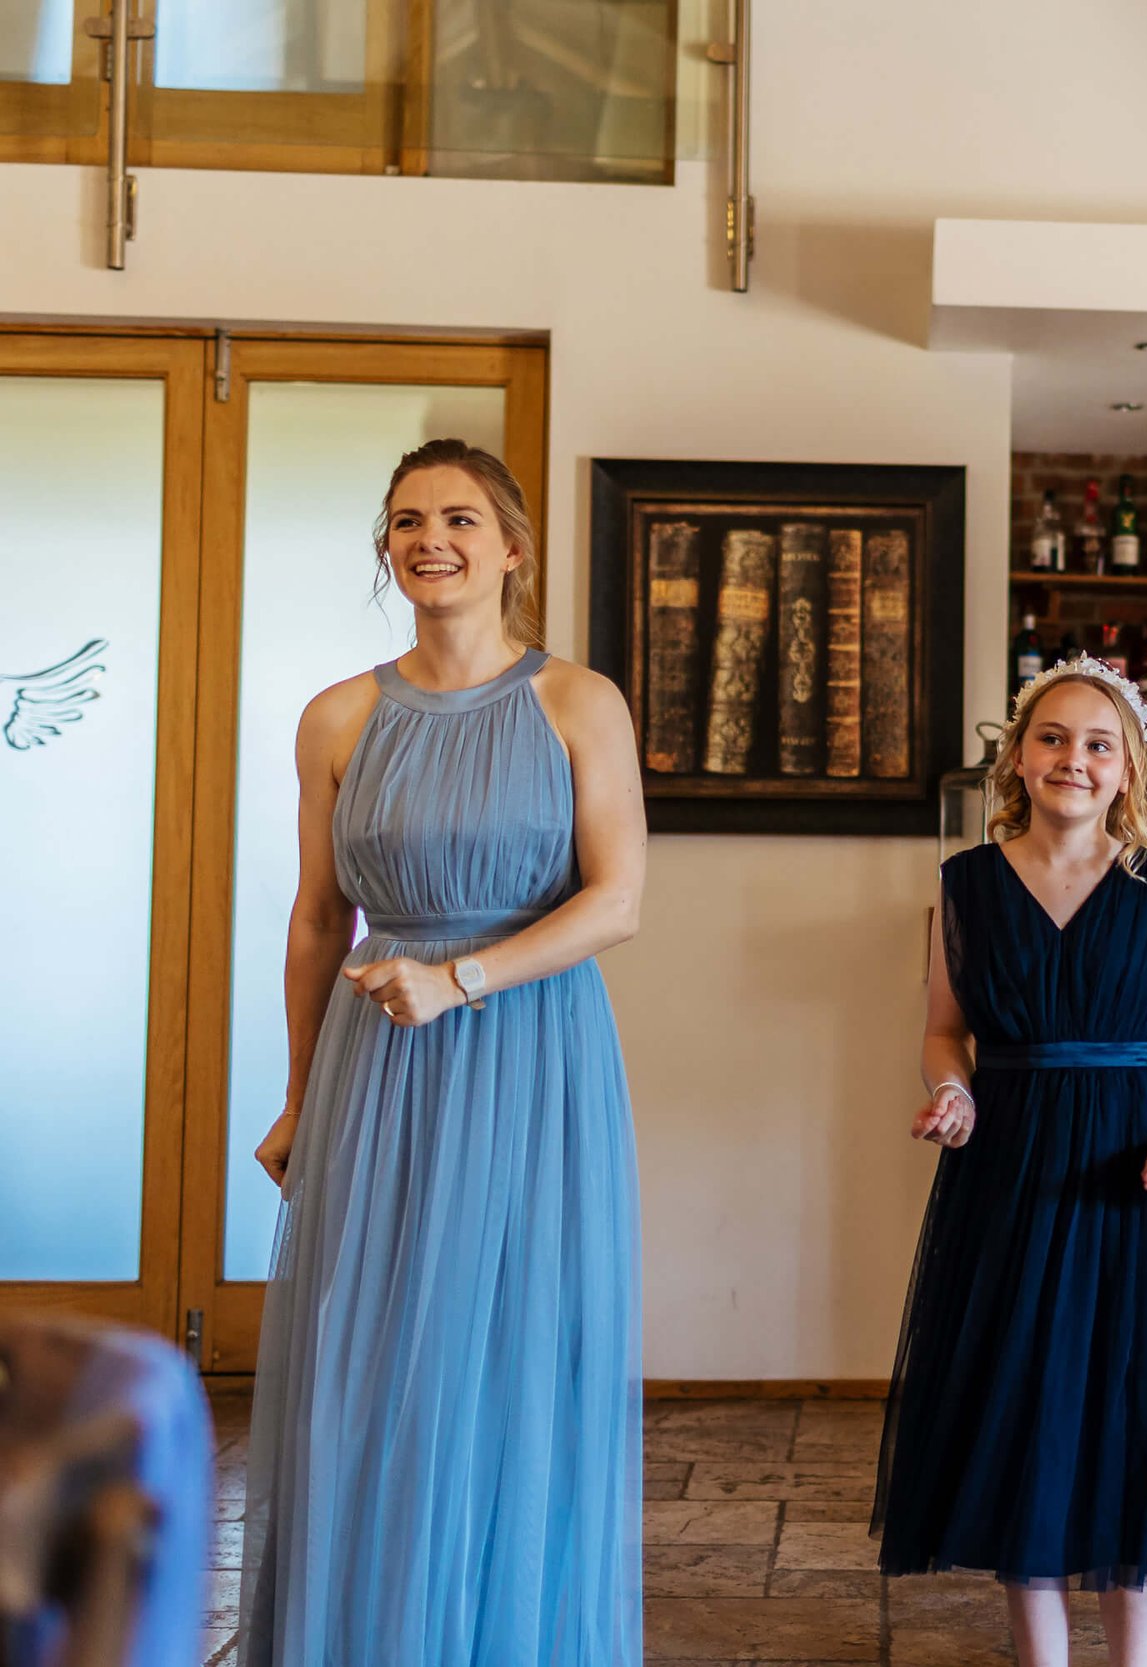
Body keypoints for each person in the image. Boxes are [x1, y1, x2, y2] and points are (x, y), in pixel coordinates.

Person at [240, 439, 647, 1667]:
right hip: (380, 1071)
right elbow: (319, 918)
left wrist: (462, 977)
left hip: (532, 1061)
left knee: (514, 1357)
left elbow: (617, 897)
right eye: (409, 519)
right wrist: (302, 1097)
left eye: (462, 518)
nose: (433, 538)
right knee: (369, 1359)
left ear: (510, 547)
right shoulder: (337, 714)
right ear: (387, 549)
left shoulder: (577, 701)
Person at [873, 656, 1147, 1667]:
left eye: (1097, 743)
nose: (1073, 757)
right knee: (1018, 1399)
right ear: (1019, 758)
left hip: (1128, 1163)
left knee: (1128, 1402)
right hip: (1008, 1163)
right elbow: (945, 1032)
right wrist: (952, 1090)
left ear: (1127, 772)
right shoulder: (964, 886)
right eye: (1053, 737)